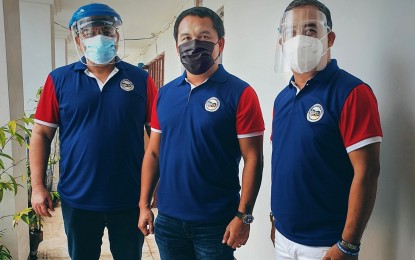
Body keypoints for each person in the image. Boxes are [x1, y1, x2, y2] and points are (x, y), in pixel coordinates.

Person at [29, 3, 157, 260]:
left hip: (129, 197)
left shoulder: (141, 79)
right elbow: (41, 134)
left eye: (106, 30)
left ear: (116, 35)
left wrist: (155, 187)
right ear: (78, 38)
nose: (99, 36)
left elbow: (157, 136)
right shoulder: (59, 79)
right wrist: (38, 186)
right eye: (90, 31)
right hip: (79, 198)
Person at [138, 6, 265, 260]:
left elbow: (253, 158)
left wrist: (243, 216)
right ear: (176, 47)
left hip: (217, 224)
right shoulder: (165, 94)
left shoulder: (240, 93)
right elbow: (153, 153)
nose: (194, 43)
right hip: (169, 222)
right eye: (186, 38)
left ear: (221, 44)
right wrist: (144, 205)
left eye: (205, 37)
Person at [271, 0, 383, 259]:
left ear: (329, 38)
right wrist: (275, 216)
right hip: (283, 238)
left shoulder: (352, 93)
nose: (299, 38)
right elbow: (284, 163)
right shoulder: (282, 98)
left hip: (327, 245)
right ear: (281, 41)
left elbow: (367, 171)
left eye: (310, 30)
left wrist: (348, 244)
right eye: (291, 32)